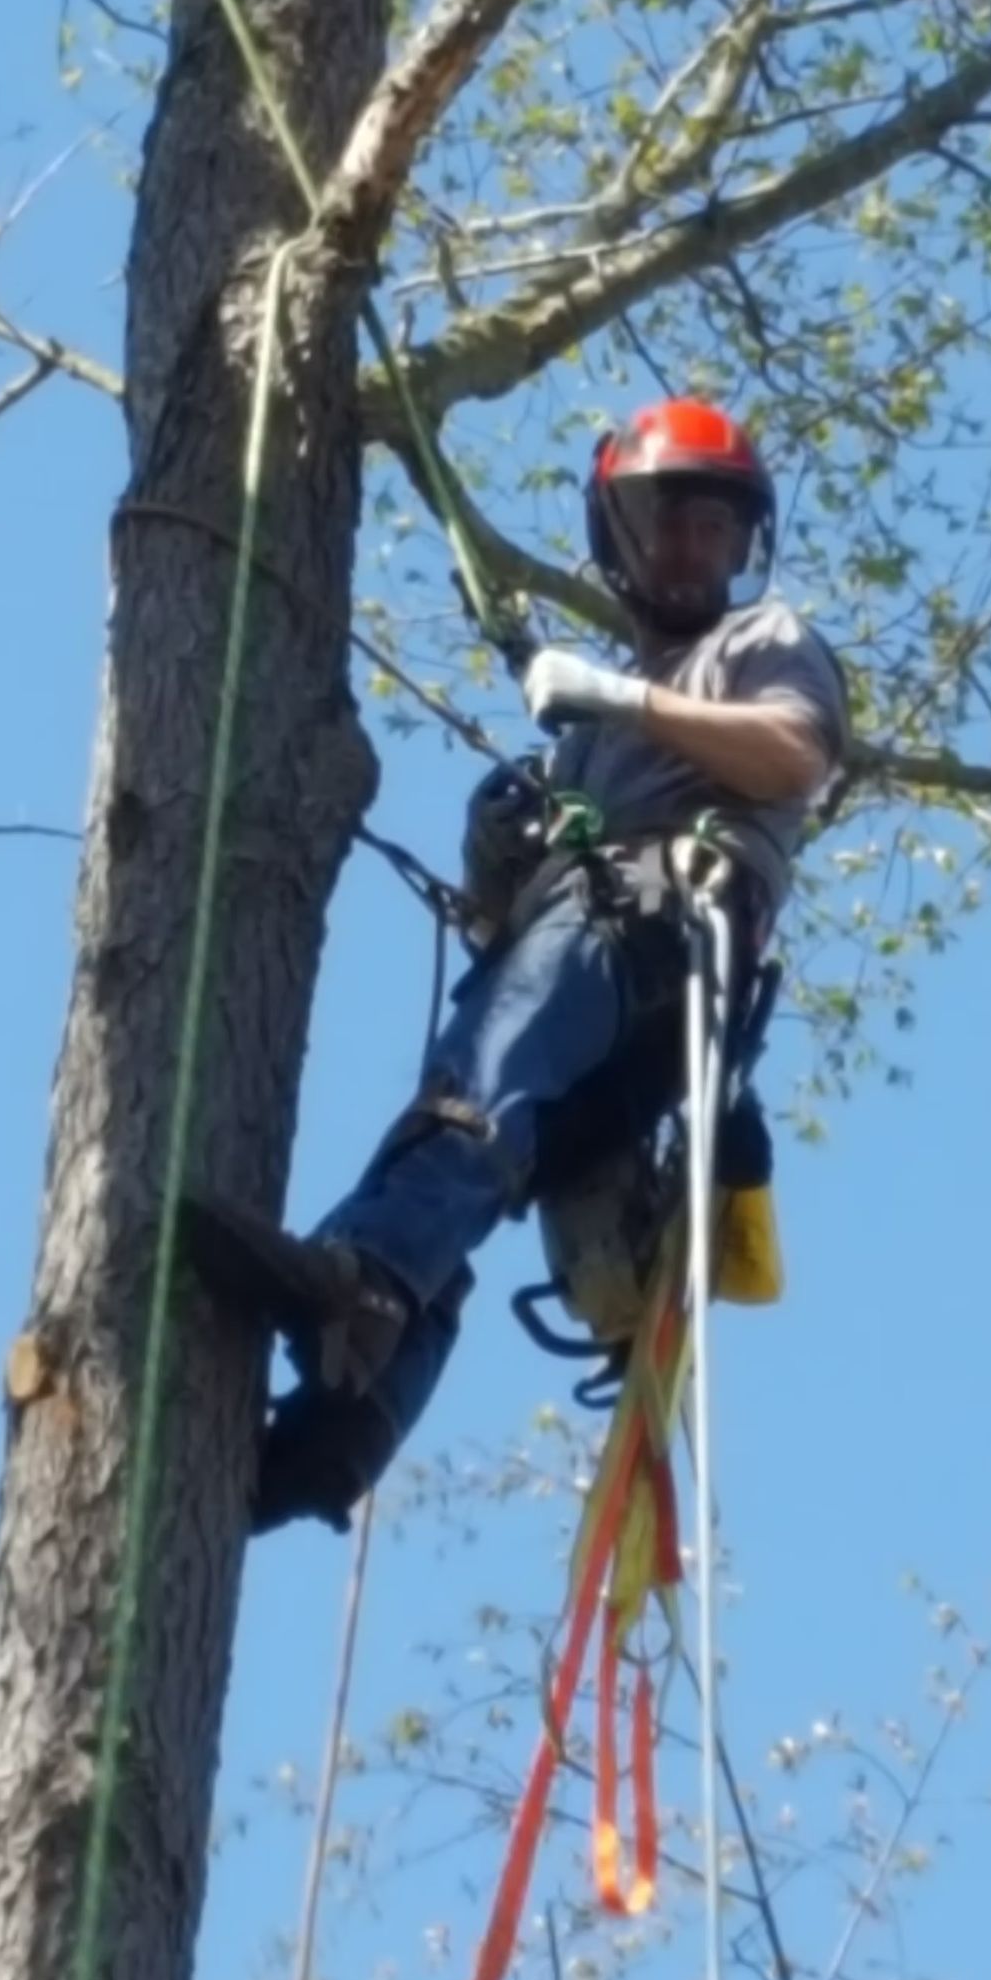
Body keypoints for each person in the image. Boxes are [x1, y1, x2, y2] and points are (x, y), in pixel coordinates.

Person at [186, 397, 848, 1533]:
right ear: (619, 538)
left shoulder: (760, 643)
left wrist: (619, 692)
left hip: (658, 934)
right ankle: (339, 1439)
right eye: (667, 519)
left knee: (478, 1089)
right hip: (595, 1003)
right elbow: (507, 932)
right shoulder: (586, 742)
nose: (693, 544)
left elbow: (793, 756)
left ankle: (363, 1280)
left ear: (748, 547)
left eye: (715, 526)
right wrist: (500, 855)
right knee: (465, 1142)